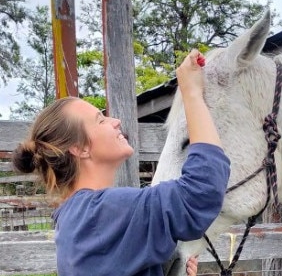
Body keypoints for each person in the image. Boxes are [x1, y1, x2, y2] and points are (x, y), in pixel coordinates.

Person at [12, 49, 230, 276]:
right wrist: (192, 92)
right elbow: (201, 191)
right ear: (79, 148)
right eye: (100, 119)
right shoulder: (99, 214)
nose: (115, 121)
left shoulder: (77, 217)